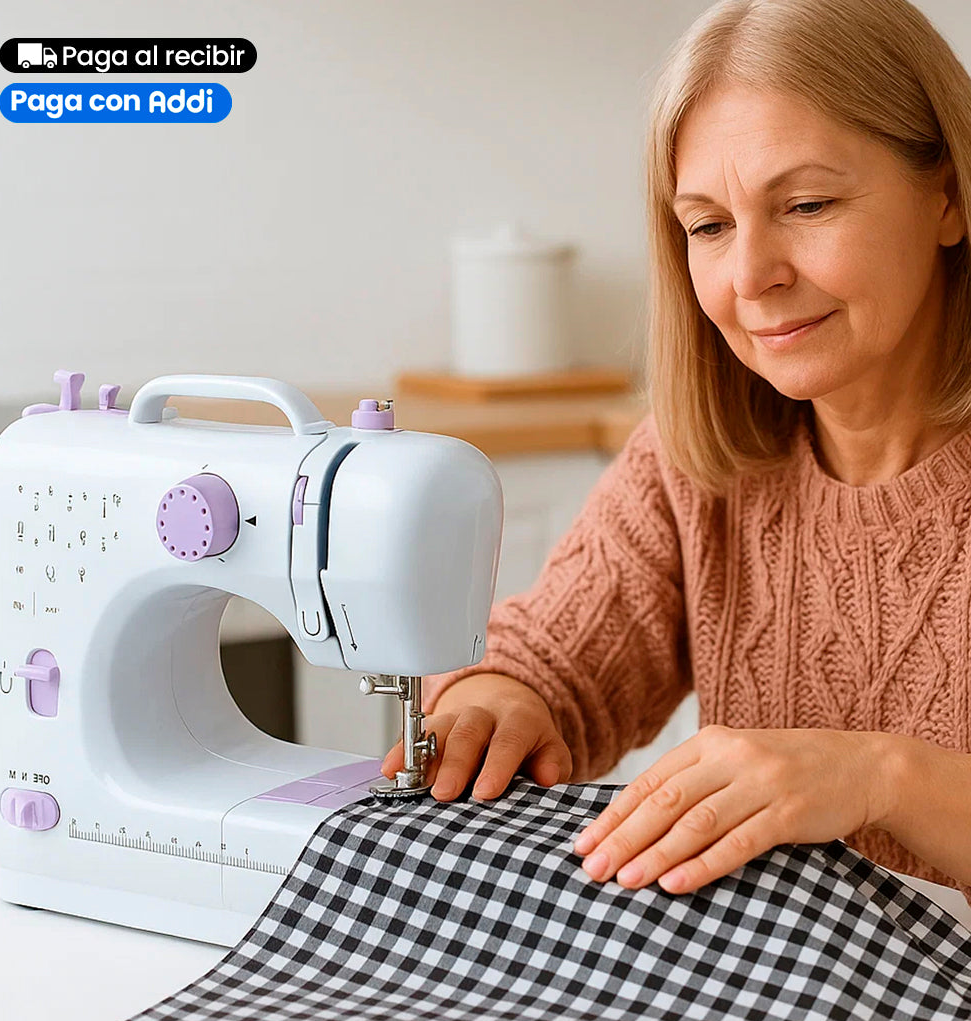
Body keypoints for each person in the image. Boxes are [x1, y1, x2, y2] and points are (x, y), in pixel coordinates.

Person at [381, 0, 971, 906]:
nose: (750, 277)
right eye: (709, 226)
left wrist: (883, 778)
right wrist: (495, 702)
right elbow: (556, 664)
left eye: (807, 204)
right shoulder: (704, 458)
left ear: (949, 195)